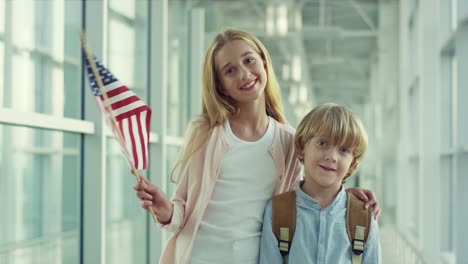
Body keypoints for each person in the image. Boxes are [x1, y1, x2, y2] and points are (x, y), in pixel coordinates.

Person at [133, 28, 380, 264]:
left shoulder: (288, 141)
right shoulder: (205, 134)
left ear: (264, 61)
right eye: (230, 70)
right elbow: (181, 213)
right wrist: (165, 210)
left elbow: (304, 195)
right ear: (220, 85)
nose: (243, 73)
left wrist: (345, 198)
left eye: (249, 60)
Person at [259, 103, 381, 264]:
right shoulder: (278, 211)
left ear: (352, 163)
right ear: (302, 147)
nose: (331, 156)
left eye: (344, 150)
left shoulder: (363, 217)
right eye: (322, 143)